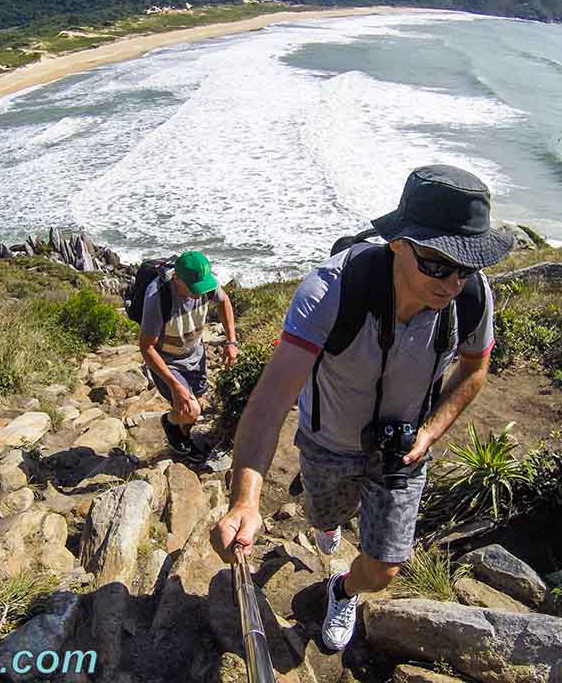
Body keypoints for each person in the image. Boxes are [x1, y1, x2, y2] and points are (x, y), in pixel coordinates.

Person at [210, 165, 514, 651]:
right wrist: (245, 500)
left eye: (466, 266)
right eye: (437, 263)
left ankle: (341, 588)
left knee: (384, 569)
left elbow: (475, 368)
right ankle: (326, 525)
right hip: (327, 444)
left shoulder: (473, 297)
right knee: (322, 517)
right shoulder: (331, 292)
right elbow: (269, 404)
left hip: (403, 451)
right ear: (398, 243)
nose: (452, 282)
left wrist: (431, 432)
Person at [139, 250, 240, 463]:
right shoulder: (157, 296)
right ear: (176, 278)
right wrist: (175, 386)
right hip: (168, 360)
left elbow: (224, 302)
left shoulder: (204, 283)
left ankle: (182, 437)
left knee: (196, 404)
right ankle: (169, 423)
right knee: (190, 409)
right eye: (193, 290)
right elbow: (146, 347)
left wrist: (231, 341)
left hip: (195, 353)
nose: (199, 294)